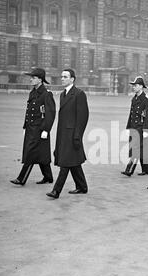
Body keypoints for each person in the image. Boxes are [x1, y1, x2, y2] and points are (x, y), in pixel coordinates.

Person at [46, 69, 89, 199]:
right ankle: (82, 187)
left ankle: (56, 191)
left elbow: (83, 117)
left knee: (65, 163)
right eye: (62, 76)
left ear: (72, 79)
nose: (62, 79)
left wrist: (77, 136)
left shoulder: (79, 94)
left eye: (65, 77)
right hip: (63, 135)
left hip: (72, 135)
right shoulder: (63, 94)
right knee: (73, 163)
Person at [10, 68, 56, 186]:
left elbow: (50, 114)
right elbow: (29, 111)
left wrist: (46, 130)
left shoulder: (46, 94)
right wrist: (26, 126)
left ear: (40, 80)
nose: (31, 79)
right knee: (41, 154)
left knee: (30, 153)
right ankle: (48, 177)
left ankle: (21, 178)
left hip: (40, 129)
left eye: (33, 77)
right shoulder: (33, 93)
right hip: (31, 128)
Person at [121, 76, 148, 177]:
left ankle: (129, 170)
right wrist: (128, 127)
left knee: (136, 149)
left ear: (141, 86)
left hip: (141, 128)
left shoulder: (147, 99)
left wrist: (146, 130)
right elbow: (131, 114)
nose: (133, 87)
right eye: (133, 86)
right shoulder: (134, 99)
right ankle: (146, 169)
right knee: (141, 148)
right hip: (134, 127)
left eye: (135, 85)